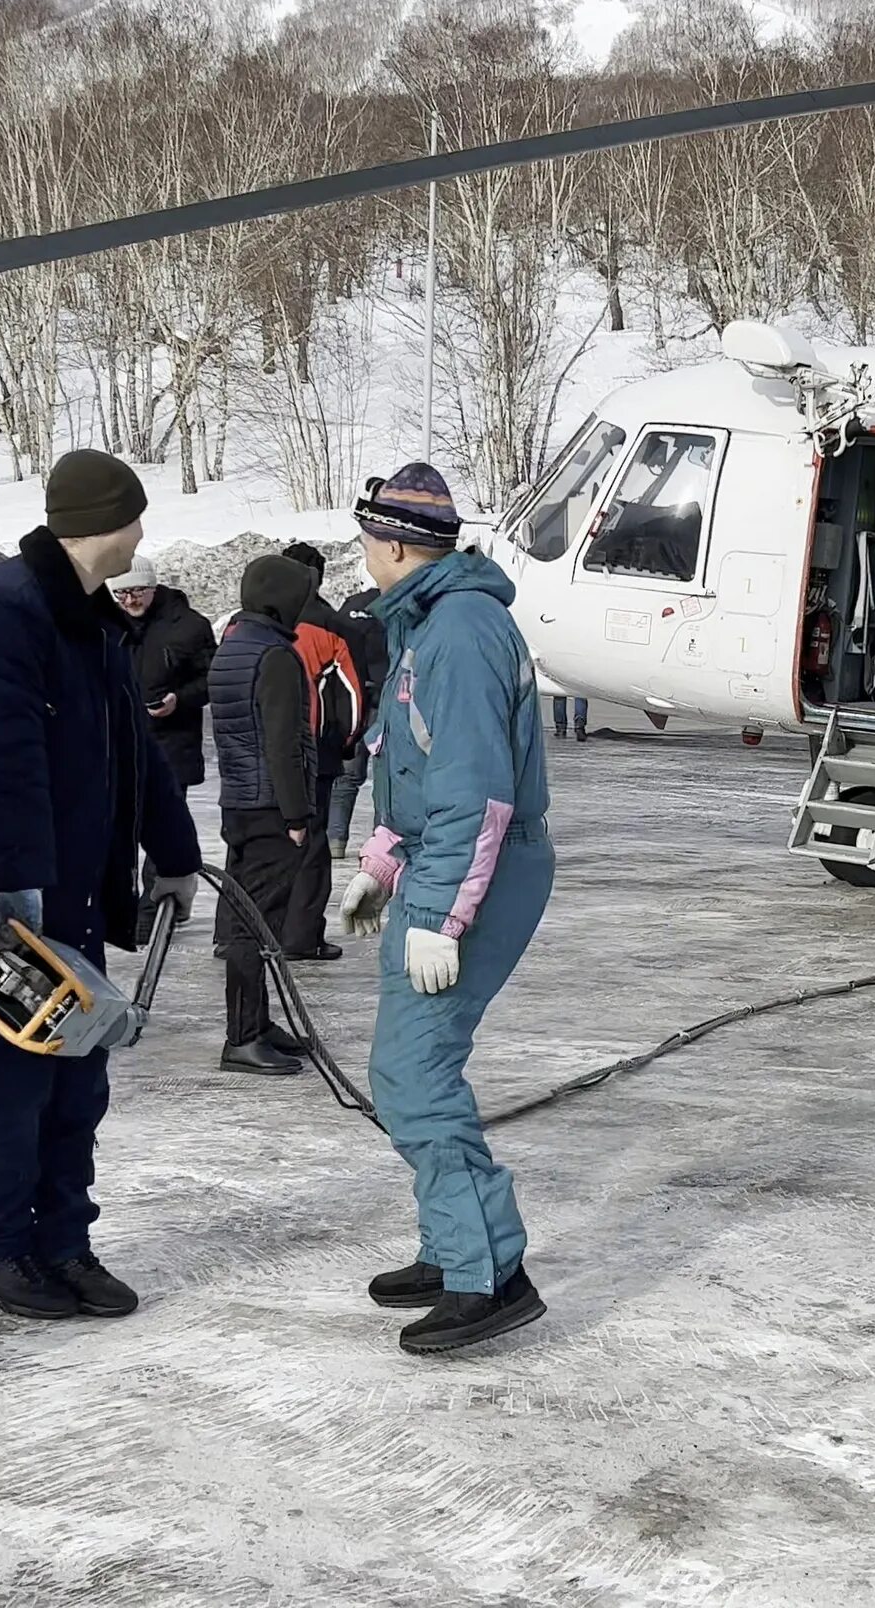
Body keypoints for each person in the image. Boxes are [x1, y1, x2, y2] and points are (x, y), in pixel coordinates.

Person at [0, 450, 202, 1322]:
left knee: (79, 1074)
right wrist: (21, 885)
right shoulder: (2, 615)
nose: (145, 535)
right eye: (136, 518)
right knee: (16, 1076)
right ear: (104, 524)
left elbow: (133, 755)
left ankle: (64, 1242)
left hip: (72, 893)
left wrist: (177, 852)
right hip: (14, 903)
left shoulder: (89, 620)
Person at [336, 462, 556, 1355]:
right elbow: (415, 768)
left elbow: (475, 797)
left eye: (366, 540)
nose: (363, 554)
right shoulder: (434, 623)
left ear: (393, 543)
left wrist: (439, 917)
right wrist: (384, 865)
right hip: (441, 865)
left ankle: (488, 1273)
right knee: (410, 1070)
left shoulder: (459, 632)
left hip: (476, 872)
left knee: (415, 1073)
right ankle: (453, 1246)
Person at [210, 552, 322, 1075]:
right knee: (253, 927)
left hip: (239, 800)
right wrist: (297, 813)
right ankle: (244, 1034)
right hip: (271, 806)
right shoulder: (275, 656)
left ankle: (258, 1022)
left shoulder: (233, 647)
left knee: (250, 919)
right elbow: (281, 743)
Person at [113, 556, 217, 940]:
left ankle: (154, 910)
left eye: (136, 591)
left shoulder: (189, 627)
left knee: (162, 825)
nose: (129, 600)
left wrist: (180, 699)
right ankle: (121, 902)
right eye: (121, 593)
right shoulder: (107, 624)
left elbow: (211, 678)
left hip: (172, 742)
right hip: (122, 742)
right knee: (120, 827)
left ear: (153, 588)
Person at [280, 541, 363, 962]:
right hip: (316, 753)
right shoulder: (330, 624)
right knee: (311, 848)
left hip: (262, 757)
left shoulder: (253, 622)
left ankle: (239, 931)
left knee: (260, 847)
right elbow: (350, 692)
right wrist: (346, 741)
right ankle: (302, 936)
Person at [330, 577, 389, 858]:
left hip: (351, 697)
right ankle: (382, 841)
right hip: (384, 697)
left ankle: (335, 840)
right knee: (385, 777)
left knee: (346, 777)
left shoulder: (351, 606)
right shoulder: (394, 606)